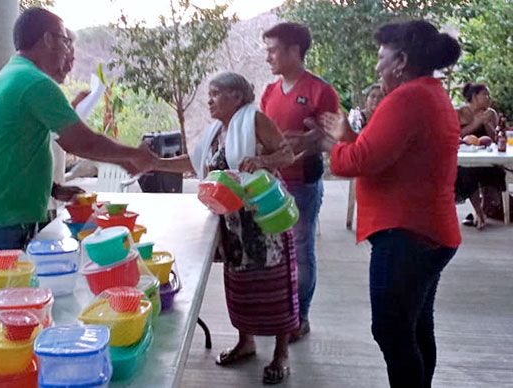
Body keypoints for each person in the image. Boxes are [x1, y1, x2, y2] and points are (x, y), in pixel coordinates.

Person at [287, 20, 462, 388]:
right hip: (427, 231)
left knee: (393, 332)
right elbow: (378, 153)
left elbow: (358, 162)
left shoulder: (408, 98)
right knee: (415, 328)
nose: (376, 66)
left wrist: (332, 144)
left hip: (407, 237)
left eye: (381, 58)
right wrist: (341, 137)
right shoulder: (430, 93)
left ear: (400, 61)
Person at [0, 8, 156, 276]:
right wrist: (133, 155)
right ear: (48, 40)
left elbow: (13, 150)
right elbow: (81, 142)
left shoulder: (16, 73)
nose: (67, 51)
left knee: (14, 301)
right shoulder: (34, 82)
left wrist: (52, 189)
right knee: (1, 305)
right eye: (65, 41)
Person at [154, 72, 297, 384]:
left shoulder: (255, 120)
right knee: (241, 286)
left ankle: (281, 354)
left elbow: (287, 153)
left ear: (237, 96)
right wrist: (152, 163)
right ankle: (246, 343)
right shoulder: (218, 131)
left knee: (274, 286)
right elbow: (193, 163)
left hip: (263, 221)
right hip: (233, 224)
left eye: (215, 93)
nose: (209, 100)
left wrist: (263, 161)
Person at [260, 22, 340, 342]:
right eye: (267, 50)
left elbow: (332, 141)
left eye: (274, 50)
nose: (268, 57)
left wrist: (308, 139)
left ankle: (300, 316)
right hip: (269, 187)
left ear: (295, 51)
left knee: (302, 251)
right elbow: (262, 136)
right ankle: (277, 313)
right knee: (272, 254)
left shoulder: (322, 91)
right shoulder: (268, 92)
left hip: (302, 185)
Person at [455, 83, 506, 229]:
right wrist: (476, 122)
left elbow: (495, 139)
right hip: (466, 157)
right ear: (475, 97)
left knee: (494, 170)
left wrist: (487, 123)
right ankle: (479, 212)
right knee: (465, 172)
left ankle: (483, 211)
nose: (489, 98)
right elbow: (457, 135)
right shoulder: (460, 112)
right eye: (485, 95)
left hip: (486, 156)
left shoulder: (491, 113)